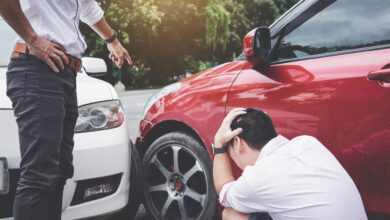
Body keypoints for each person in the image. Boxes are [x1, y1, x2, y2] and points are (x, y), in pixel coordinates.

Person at [0, 0, 132, 219]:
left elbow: (88, 7)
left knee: (59, 171)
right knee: (39, 174)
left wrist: (113, 41)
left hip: (64, 72)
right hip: (37, 69)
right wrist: (32, 39)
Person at [212, 108, 368, 220]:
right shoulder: (309, 142)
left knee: (231, 215)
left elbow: (224, 192)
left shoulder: (258, 178)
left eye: (229, 150)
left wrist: (219, 144)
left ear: (238, 143)